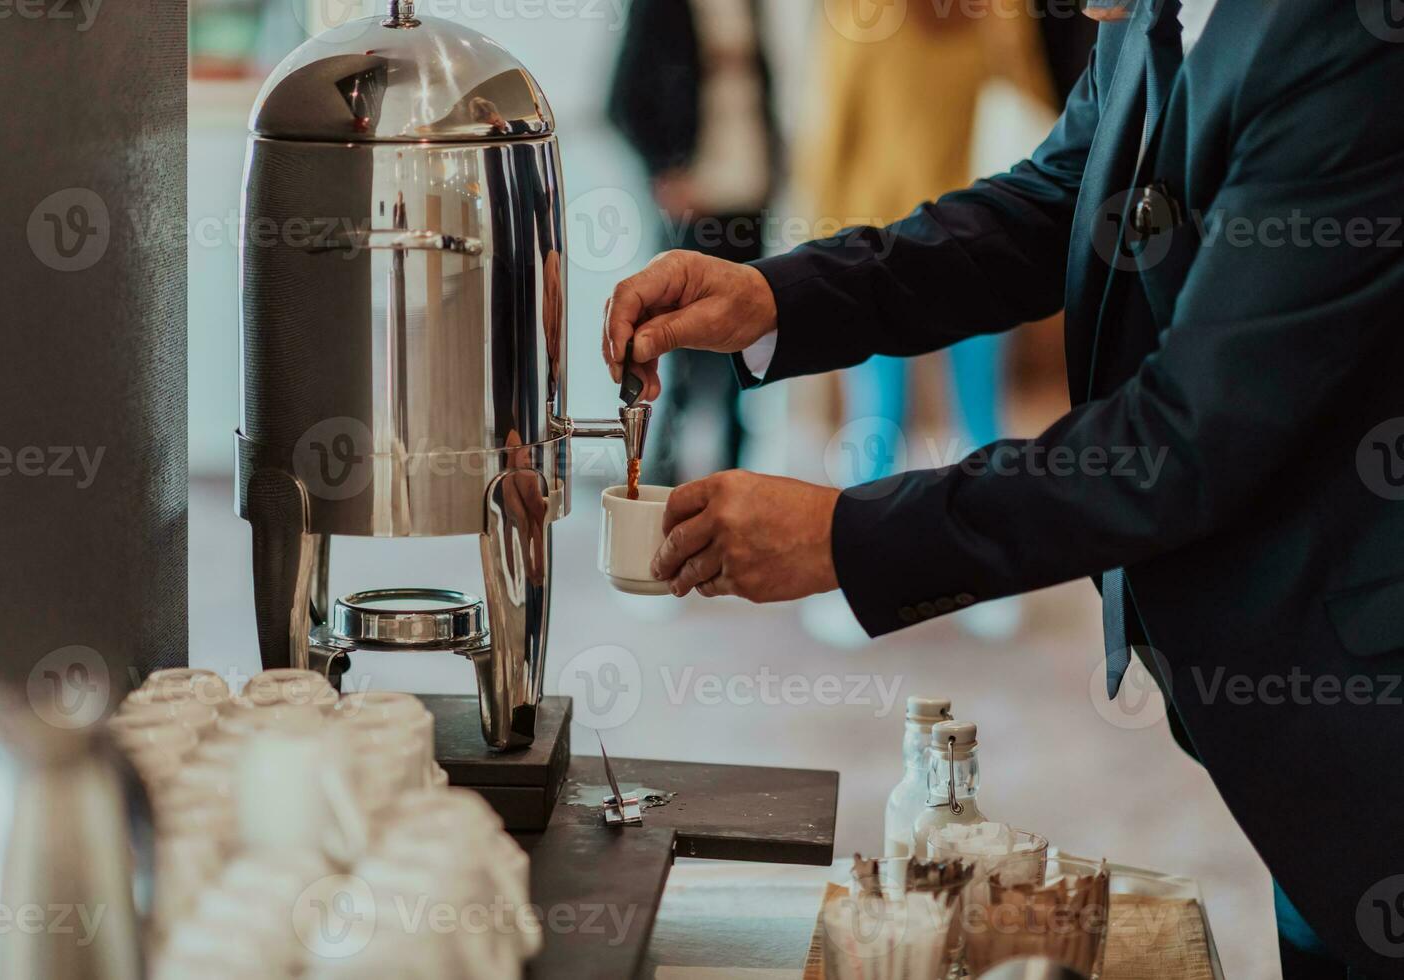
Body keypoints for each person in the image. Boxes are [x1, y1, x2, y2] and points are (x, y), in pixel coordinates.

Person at [600, 0, 1404, 975]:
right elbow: (1051, 203)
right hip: (1291, 727)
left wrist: (847, 536)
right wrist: (779, 299)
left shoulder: (1347, 43)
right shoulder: (1143, 15)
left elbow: (1182, 438)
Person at [796, 0, 1058, 644]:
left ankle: (889, 580)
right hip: (951, 238)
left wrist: (818, 253)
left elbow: (830, 133)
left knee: (912, 419)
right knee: (945, 419)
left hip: (912, 241)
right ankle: (972, 579)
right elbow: (1035, 112)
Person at [606, 0, 778, 485]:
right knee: (676, 344)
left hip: (749, 193)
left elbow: (763, 87)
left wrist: (776, 168)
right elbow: (621, 101)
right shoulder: (658, 9)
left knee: (749, 340)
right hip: (693, 200)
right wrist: (666, 171)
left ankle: (733, 469)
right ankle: (660, 470)